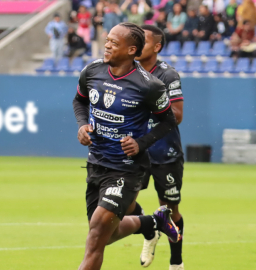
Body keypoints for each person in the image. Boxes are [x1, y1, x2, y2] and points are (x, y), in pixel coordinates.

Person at [72, 22, 181, 270]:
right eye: (107, 40)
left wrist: (141, 143)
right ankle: (152, 223)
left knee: (97, 235)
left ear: (132, 50)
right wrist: (81, 125)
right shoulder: (92, 71)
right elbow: (79, 101)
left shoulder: (149, 85)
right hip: (96, 163)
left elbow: (169, 120)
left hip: (127, 169)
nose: (107, 45)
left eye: (113, 42)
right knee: (105, 235)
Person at [136, 24, 185, 270]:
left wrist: (143, 110)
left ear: (157, 46)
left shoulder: (167, 75)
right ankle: (150, 228)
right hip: (134, 150)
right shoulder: (125, 71)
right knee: (122, 205)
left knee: (171, 209)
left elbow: (176, 114)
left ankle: (176, 262)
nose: (135, 44)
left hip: (164, 152)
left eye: (141, 40)